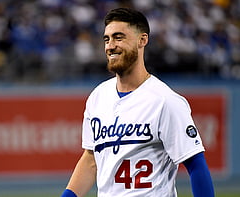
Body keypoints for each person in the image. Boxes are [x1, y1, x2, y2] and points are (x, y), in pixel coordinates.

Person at [61, 7, 215, 197]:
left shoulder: (165, 101)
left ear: (142, 40)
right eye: (107, 39)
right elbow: (91, 159)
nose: (110, 45)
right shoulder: (97, 97)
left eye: (119, 37)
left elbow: (196, 164)